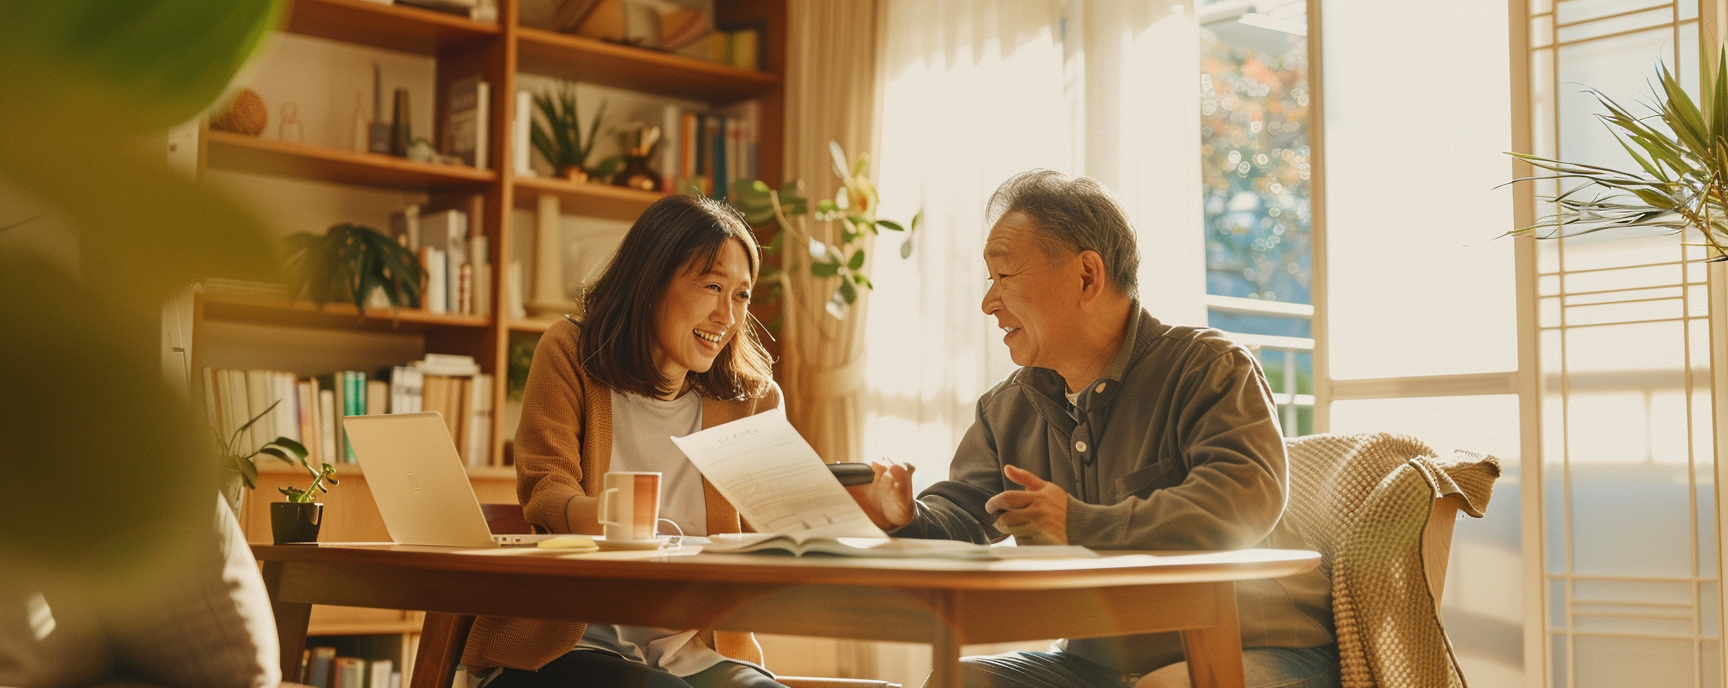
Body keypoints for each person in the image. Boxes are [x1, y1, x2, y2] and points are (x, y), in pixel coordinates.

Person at [850, 171, 1339, 688]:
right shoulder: (1006, 408)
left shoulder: (1208, 367)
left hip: (1258, 645)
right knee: (958, 683)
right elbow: (968, 513)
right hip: (1096, 665)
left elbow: (1243, 500)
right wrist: (906, 517)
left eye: (1005, 277)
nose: (988, 302)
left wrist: (1082, 524)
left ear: (1087, 276)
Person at [462, 194, 787, 688]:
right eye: (713, 286)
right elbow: (545, 489)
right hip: (568, 643)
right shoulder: (571, 354)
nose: (728, 316)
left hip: (692, 652)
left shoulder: (751, 399)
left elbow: (777, 528)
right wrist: (611, 517)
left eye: (741, 295)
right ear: (651, 281)